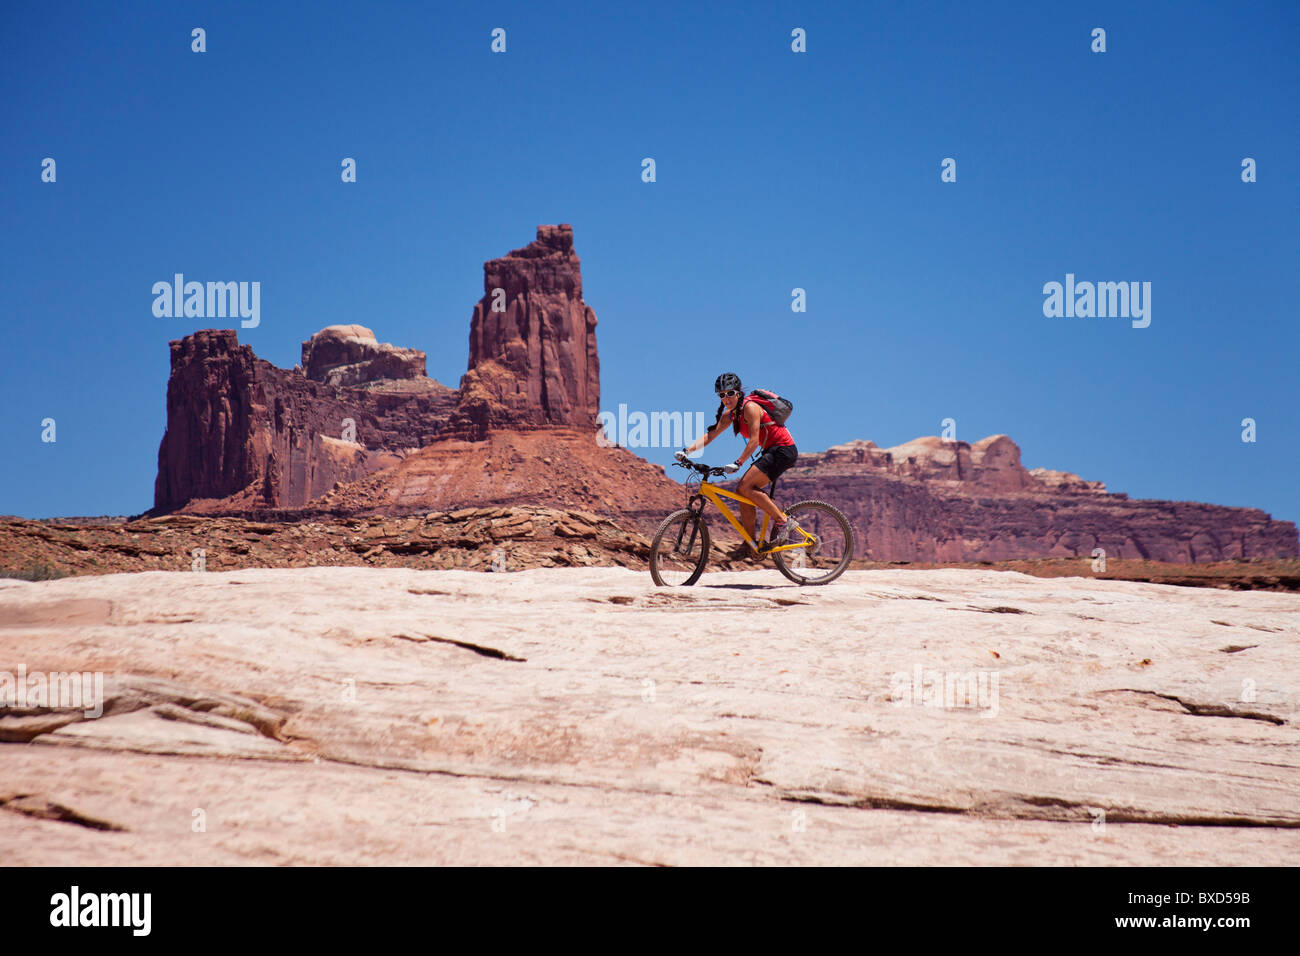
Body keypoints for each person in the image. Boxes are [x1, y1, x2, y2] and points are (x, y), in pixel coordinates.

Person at [675, 373, 800, 555]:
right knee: (742, 491)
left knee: (746, 486)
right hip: (771, 452)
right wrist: (687, 451)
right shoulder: (729, 416)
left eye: (730, 393)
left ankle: (784, 521)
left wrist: (738, 463)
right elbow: (710, 436)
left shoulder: (750, 407)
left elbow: (754, 440)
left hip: (782, 450)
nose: (726, 398)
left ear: (739, 393)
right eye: (721, 395)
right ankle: (750, 544)